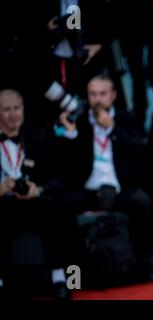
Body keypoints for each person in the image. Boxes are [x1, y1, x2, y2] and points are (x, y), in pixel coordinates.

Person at [54, 74, 153, 281]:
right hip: (88, 190)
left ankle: (145, 266)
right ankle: (75, 273)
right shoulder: (79, 120)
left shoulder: (125, 118)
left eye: (102, 94)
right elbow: (65, 167)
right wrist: (71, 135)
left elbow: (140, 150)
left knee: (143, 202)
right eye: (93, 94)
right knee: (63, 205)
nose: (98, 99)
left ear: (113, 95)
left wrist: (111, 128)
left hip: (120, 189)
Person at [0, 89, 71, 299]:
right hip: (2, 203)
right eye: (6, 110)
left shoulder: (37, 137)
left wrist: (37, 189)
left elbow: (57, 180)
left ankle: (60, 279)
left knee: (56, 207)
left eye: (17, 108)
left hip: (33, 202)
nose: (13, 114)